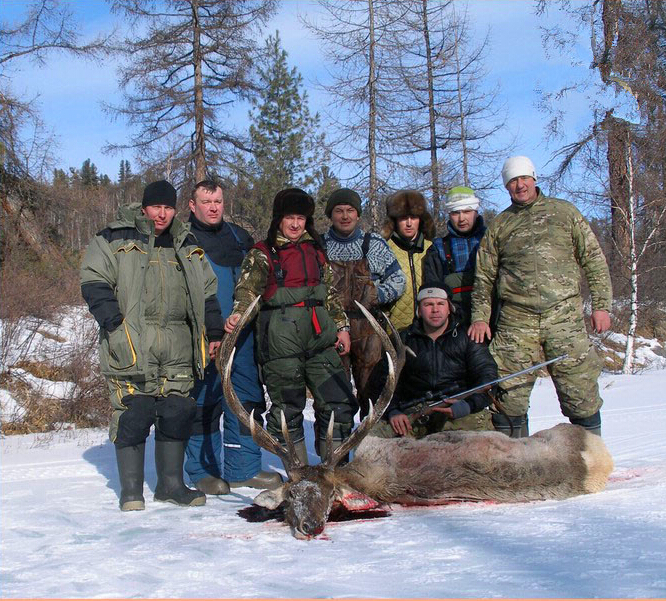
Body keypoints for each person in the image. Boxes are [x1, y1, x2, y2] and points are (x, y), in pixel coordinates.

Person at [80, 180, 225, 510]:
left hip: (178, 345)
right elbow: (93, 281)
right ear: (144, 207)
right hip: (132, 341)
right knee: (134, 412)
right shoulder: (113, 238)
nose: (162, 214)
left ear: (176, 210)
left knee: (178, 411)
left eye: (168, 207)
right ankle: (131, 490)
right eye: (157, 207)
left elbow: (208, 292)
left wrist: (213, 332)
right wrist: (114, 324)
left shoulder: (185, 242)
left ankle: (170, 486)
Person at [468, 156, 612, 437]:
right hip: (516, 321)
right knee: (509, 396)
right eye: (512, 181)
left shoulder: (564, 213)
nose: (519, 185)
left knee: (579, 390)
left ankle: (590, 460)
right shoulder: (500, 225)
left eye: (523, 178)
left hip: (564, 317)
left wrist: (602, 306)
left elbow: (593, 260)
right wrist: (480, 318)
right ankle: (517, 466)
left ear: (534, 178)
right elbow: (484, 277)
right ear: (506, 186)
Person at [224, 188, 357, 463]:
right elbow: (247, 293)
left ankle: (335, 469)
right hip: (280, 345)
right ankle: (298, 472)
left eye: (301, 218)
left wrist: (342, 327)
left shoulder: (317, 251)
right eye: (290, 218)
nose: (296, 224)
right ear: (278, 219)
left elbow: (330, 293)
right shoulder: (262, 254)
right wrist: (238, 315)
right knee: (288, 410)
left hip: (320, 341)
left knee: (339, 402)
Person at [183, 180, 282, 495]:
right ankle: (203, 471)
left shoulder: (240, 238)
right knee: (204, 403)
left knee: (247, 399)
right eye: (206, 201)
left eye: (218, 201)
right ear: (192, 205)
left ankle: (243, 469)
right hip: (202, 337)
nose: (213, 207)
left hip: (243, 336)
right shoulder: (182, 240)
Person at [371, 284, 497, 439]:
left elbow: (488, 378)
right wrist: (393, 411)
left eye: (440, 304)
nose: (435, 310)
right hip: (413, 412)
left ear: (450, 307)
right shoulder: (403, 340)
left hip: (460, 409)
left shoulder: (468, 337)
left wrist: (468, 405)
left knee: (484, 449)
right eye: (428, 304)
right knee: (372, 440)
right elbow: (382, 380)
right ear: (419, 310)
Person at [322, 188, 406, 418]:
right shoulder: (320, 247)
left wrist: (376, 294)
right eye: (339, 211)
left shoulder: (374, 244)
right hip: (331, 332)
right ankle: (335, 452)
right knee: (334, 400)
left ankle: (371, 449)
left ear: (358, 215)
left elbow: (399, 281)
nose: (345, 216)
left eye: (350, 210)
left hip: (369, 333)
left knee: (372, 397)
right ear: (331, 215)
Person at [423, 186, 487, 326]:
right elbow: (433, 290)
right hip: (454, 323)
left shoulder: (491, 240)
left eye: (467, 211)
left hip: (491, 321)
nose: (462, 218)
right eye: (455, 213)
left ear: (476, 212)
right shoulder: (439, 248)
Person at [380, 190, 435, 331]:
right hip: (394, 332)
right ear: (395, 221)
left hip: (429, 332)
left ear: (421, 219)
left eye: (414, 217)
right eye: (403, 218)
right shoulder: (383, 250)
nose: (409, 223)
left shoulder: (433, 249)